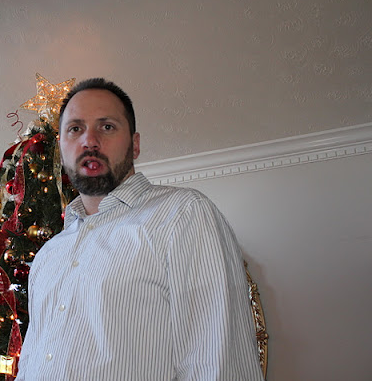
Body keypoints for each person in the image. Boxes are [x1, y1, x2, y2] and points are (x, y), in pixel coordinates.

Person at [15, 78, 264, 380]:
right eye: (75, 129)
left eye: (107, 126)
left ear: (134, 144)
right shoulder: (49, 255)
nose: (89, 140)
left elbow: (218, 363)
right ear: (61, 148)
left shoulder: (183, 215)